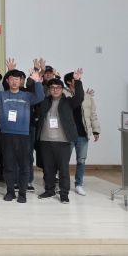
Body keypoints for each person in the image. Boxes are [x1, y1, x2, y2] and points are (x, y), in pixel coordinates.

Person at [0, 67, 44, 203]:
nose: (14, 82)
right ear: (7, 81)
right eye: (12, 79)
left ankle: (22, 193)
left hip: (23, 135)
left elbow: (40, 97)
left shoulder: (27, 96)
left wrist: (37, 82)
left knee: (24, 165)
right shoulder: (2, 95)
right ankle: (10, 192)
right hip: (6, 135)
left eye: (17, 79)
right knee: (8, 165)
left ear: (21, 81)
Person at [36, 71, 85, 204]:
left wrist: (78, 81)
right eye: (52, 88)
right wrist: (37, 82)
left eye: (58, 87)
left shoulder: (68, 102)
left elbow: (80, 97)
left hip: (63, 141)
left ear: (62, 89)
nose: (55, 90)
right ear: (49, 89)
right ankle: (49, 190)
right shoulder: (44, 102)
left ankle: (64, 194)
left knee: (63, 169)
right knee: (48, 169)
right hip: (45, 140)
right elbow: (37, 96)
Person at [64, 71, 101, 196]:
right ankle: (63, 183)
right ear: (69, 82)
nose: (79, 81)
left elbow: (93, 115)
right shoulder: (63, 94)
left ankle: (78, 184)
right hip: (67, 135)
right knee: (63, 160)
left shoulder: (87, 97)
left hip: (82, 134)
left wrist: (96, 130)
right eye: (75, 79)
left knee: (81, 160)